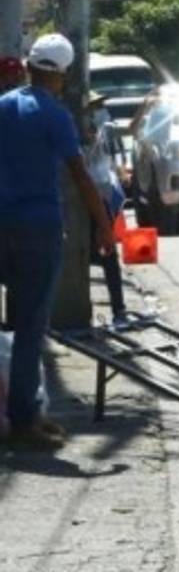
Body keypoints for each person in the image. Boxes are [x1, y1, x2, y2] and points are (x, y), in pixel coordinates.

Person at [0, 33, 114, 448]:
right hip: (38, 228)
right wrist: (104, 226)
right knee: (30, 325)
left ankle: (26, 410)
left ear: (30, 66)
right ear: (61, 75)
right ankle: (23, 420)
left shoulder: (3, 105)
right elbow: (81, 176)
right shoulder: (55, 115)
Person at [83, 91, 128, 322]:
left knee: (109, 256)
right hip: (83, 202)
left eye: (102, 105)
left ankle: (119, 309)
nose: (101, 110)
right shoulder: (79, 135)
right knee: (90, 254)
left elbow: (129, 133)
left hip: (104, 199)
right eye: (97, 106)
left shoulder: (105, 131)